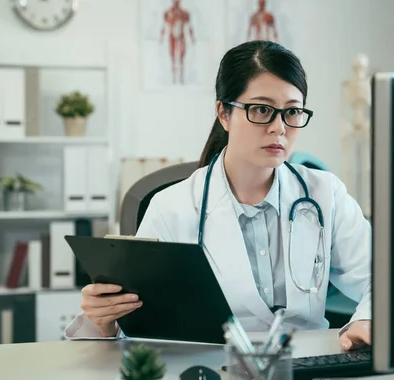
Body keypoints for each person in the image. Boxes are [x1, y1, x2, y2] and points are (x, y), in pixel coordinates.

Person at [65, 40, 372, 351]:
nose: (279, 127)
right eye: (262, 109)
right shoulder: (172, 208)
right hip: (213, 371)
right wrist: (106, 320)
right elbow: (142, 327)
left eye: (292, 112)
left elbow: (384, 282)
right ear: (224, 113)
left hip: (309, 363)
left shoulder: (325, 194)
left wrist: (367, 319)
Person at [160, 0, 195, 85]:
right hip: (172, 36)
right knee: (172, 56)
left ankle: (181, 77)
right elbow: (164, 26)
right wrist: (161, 36)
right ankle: (174, 77)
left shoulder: (184, 13)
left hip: (181, 36)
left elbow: (189, 25)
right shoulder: (168, 13)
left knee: (181, 57)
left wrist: (192, 37)